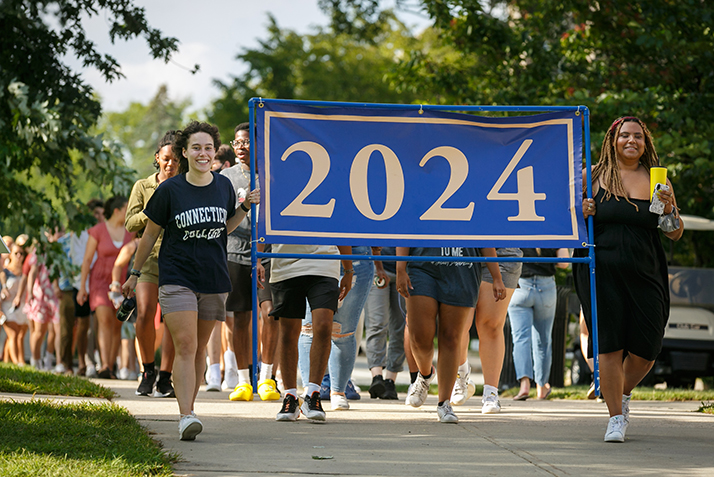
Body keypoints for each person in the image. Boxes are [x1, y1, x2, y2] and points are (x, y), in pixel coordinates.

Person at [122, 120, 259, 441]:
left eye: (208, 148)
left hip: (213, 278)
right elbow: (149, 234)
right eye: (196, 147)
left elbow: (222, 228)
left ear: (215, 152)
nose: (203, 153)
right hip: (177, 277)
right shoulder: (170, 190)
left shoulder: (223, 186)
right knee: (185, 344)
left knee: (198, 349)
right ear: (185, 152)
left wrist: (245, 207)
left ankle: (190, 406)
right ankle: (186, 415)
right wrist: (134, 272)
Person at [574, 116, 683, 443]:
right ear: (612, 140)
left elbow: (675, 233)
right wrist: (583, 212)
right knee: (608, 344)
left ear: (645, 143)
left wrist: (668, 211)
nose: (631, 141)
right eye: (624, 135)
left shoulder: (656, 180)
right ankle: (615, 418)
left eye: (638, 136)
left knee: (647, 348)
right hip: (600, 271)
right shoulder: (591, 177)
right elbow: (567, 228)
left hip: (646, 272)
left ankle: (616, 393)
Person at [396, 246, 505, 423]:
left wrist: (496, 276)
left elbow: (484, 235)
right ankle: (424, 375)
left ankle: (444, 403)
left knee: (451, 336)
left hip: (462, 266)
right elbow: (405, 228)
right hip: (422, 264)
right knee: (419, 336)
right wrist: (400, 268)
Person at [221, 122, 280, 402]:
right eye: (237, 143)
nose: (241, 147)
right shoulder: (226, 177)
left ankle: (267, 378)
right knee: (241, 316)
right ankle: (243, 380)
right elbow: (222, 218)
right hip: (235, 251)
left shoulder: (272, 175)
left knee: (270, 313)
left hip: (267, 253)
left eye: (246, 142)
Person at [124, 131, 179, 397]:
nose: (171, 164)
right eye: (166, 159)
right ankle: (148, 370)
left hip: (178, 260)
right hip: (148, 259)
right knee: (145, 313)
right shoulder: (142, 186)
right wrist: (151, 211)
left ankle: (166, 377)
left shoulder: (185, 185)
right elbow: (129, 223)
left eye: (176, 160)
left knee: (172, 319)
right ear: (157, 158)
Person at [272, 244, 353, 422]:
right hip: (285, 263)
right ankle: (290, 396)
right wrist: (257, 262)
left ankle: (313, 394)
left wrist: (348, 269)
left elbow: (339, 227)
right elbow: (261, 222)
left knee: (324, 325)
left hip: (325, 263)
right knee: (288, 332)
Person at [298, 245, 375, 410]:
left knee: (343, 331)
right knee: (309, 329)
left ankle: (338, 392)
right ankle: (309, 391)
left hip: (356, 254)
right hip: (315, 253)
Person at [451, 248, 523, 413]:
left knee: (490, 325)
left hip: (504, 252)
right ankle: (461, 375)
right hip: (465, 251)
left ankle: (491, 393)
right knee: (458, 323)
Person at [77, 196, 134, 378]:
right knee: (104, 322)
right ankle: (104, 366)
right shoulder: (97, 231)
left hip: (122, 284)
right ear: (117, 211)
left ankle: (110, 366)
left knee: (117, 324)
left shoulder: (130, 233)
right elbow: (87, 260)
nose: (128, 213)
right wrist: (82, 287)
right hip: (100, 282)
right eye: (126, 209)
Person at [507, 248, 569, 401]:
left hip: (520, 286)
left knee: (521, 339)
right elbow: (564, 263)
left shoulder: (519, 229)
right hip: (546, 287)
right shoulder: (553, 230)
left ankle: (525, 385)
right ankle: (541, 386)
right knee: (543, 340)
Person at [363, 246, 406, 400]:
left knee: (400, 327)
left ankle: (390, 380)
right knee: (377, 323)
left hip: (405, 268)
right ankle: (377, 377)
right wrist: (378, 265)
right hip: (377, 266)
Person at [1, 243, 29, 365]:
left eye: (21, 253)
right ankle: (18, 362)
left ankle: (8, 362)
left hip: (21, 307)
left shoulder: (25, 272)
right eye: (16, 253)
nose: (19, 256)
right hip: (6, 307)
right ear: (10, 254)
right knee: (12, 334)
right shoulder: (4, 273)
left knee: (19, 336)